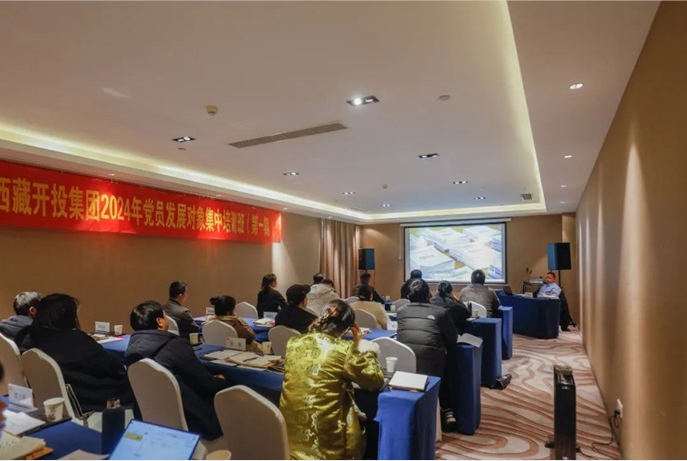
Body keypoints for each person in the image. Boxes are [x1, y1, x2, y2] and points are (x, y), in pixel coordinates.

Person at [280, 299, 384, 460]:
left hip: (288, 437)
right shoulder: (344, 349)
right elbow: (374, 380)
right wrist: (363, 348)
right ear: (347, 329)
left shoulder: (293, 342)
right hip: (329, 443)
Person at [125, 301, 230, 440]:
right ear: (160, 322)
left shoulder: (131, 351)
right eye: (165, 316)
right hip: (195, 422)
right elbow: (206, 384)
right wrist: (223, 382)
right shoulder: (175, 346)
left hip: (148, 419)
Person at [29, 293, 134, 412]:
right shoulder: (75, 340)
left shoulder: (36, 336)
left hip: (68, 395)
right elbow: (111, 366)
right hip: (92, 398)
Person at [396, 279, 458, 430]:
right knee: (448, 361)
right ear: (428, 295)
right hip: (431, 367)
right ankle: (447, 408)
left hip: (406, 366)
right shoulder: (440, 312)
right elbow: (453, 338)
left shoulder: (401, 312)